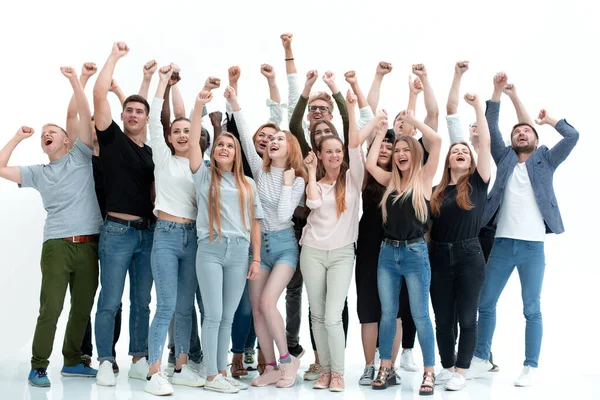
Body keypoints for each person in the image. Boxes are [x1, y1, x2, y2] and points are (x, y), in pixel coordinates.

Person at [469, 72, 579, 387]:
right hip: (502, 245)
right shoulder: (503, 158)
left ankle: (530, 365)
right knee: (486, 302)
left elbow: (573, 137)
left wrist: (550, 120)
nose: (520, 133)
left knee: (531, 307)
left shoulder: (546, 159)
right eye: (516, 130)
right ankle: (480, 358)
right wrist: (497, 91)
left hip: (532, 247)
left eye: (526, 131)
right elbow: (490, 128)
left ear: (535, 140)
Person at [0, 66, 102, 387]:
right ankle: (38, 366)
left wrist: (76, 81)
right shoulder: (38, 173)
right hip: (56, 247)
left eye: (53, 130)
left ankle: (73, 361)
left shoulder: (81, 156)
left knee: (82, 309)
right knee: (51, 309)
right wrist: (18, 136)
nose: (47, 133)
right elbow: (1, 167)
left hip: (88, 245)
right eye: (44, 133)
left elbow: (84, 114)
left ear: (67, 140)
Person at [226, 86, 306, 387]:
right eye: (270, 139)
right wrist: (235, 102)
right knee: (258, 306)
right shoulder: (258, 169)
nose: (272, 141)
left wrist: (286, 184)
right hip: (258, 247)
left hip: (284, 246)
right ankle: (270, 365)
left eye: (278, 139)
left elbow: (285, 214)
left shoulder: (296, 179)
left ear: (290, 148)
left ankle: (288, 360)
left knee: (269, 302)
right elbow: (246, 135)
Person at [188, 90, 264, 394]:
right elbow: (194, 140)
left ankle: (220, 370)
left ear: (236, 154)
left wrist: (256, 258)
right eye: (220, 144)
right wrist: (198, 106)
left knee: (228, 316)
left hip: (239, 252)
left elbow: (255, 223)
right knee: (214, 314)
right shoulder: (204, 176)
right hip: (211, 249)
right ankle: (211, 375)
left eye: (229, 146)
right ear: (213, 151)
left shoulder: (247, 184)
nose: (224, 148)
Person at [366, 108, 442, 395]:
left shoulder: (423, 178)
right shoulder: (390, 181)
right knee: (388, 314)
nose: (399, 154)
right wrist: (379, 131)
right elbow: (372, 163)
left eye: (405, 149)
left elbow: (436, 141)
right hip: (387, 255)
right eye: (396, 149)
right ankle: (386, 368)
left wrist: (412, 123)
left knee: (421, 315)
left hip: (415, 255)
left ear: (413, 152)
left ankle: (429, 372)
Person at [93, 42, 156, 387]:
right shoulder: (113, 139)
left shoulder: (149, 152)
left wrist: (148, 82)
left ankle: (138, 357)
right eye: (128, 110)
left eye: (139, 111)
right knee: (110, 300)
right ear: (121, 115)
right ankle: (104, 359)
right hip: (116, 233)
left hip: (147, 235)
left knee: (141, 301)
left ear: (146, 119)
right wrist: (115, 57)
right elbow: (100, 93)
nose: (132, 114)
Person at [144, 64, 207, 396]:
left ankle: (181, 366)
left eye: (188, 131)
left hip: (193, 239)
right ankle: (155, 371)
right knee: (166, 304)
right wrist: (162, 82)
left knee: (185, 307)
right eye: (177, 131)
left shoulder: (201, 167)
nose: (183, 135)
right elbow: (155, 119)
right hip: (166, 235)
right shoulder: (164, 160)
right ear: (169, 137)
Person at [299, 90, 365, 392]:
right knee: (316, 313)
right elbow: (312, 204)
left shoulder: (352, 179)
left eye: (338, 151)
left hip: (341, 254)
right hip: (312, 252)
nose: (335, 156)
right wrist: (311, 171)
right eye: (329, 152)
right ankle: (324, 370)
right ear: (321, 154)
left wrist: (350, 106)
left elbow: (354, 145)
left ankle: (337, 372)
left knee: (333, 315)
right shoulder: (316, 179)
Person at [429, 93, 492, 391]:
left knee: (467, 316)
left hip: (469, 256)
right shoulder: (436, 190)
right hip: (438, 257)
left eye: (464, 150)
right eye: (454, 150)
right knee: (443, 318)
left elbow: (487, 145)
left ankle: (462, 371)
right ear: (448, 160)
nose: (459, 152)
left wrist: (478, 108)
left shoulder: (478, 182)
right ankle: (447, 365)